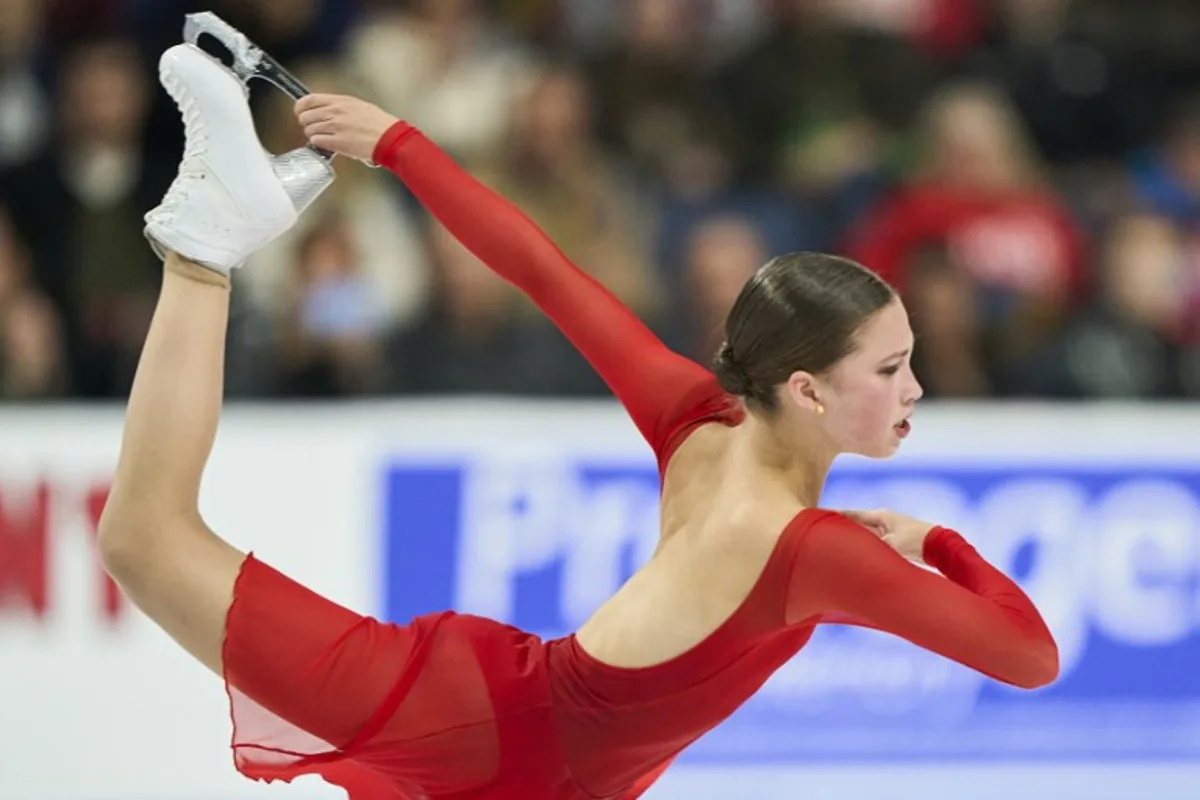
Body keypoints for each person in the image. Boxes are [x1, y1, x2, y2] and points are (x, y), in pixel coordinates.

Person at [99, 43, 1059, 800]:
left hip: (507, 735)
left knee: (145, 538)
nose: (914, 389)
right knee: (144, 536)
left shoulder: (698, 423)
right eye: (890, 368)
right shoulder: (810, 550)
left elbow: (546, 272)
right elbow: (1029, 656)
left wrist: (401, 145)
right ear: (806, 390)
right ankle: (203, 250)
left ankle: (210, 247)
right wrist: (939, 541)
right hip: (491, 747)